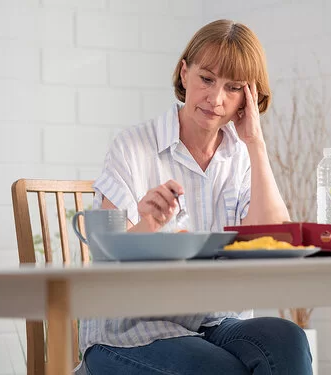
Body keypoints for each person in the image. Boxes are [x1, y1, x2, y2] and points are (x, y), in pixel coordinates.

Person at [80, 19, 313, 375]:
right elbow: (108, 271)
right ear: (185, 73)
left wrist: (256, 143)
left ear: (247, 100)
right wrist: (148, 223)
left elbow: (274, 237)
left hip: (215, 324)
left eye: (233, 88)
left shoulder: (241, 157)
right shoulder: (132, 147)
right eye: (206, 79)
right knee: (218, 368)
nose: (215, 99)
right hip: (130, 333)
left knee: (288, 340)